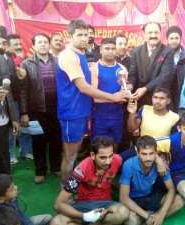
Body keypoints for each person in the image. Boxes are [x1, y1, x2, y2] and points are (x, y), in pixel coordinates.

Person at [56, 19, 128, 185]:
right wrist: (113, 97)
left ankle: (89, 182)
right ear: (70, 36)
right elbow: (83, 88)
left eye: (86, 35)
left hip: (82, 113)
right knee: (70, 155)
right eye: (79, 35)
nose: (83, 38)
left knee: (77, 152)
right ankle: (64, 192)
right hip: (72, 113)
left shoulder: (80, 55)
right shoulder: (68, 55)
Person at [50, 136, 129, 225]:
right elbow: (58, 204)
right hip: (84, 205)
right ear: (92, 155)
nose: (108, 161)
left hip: (106, 205)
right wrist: (85, 216)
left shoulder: (117, 160)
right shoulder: (81, 170)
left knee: (123, 212)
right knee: (57, 222)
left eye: (110, 156)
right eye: (103, 157)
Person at [19, 33, 62, 184]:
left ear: (50, 45)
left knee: (56, 141)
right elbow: (22, 91)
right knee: (38, 142)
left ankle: (56, 168)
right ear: (33, 45)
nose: (43, 44)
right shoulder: (26, 64)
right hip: (36, 110)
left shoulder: (58, 61)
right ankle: (40, 171)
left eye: (45, 42)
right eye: (39, 42)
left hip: (57, 109)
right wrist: (24, 113)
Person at [119, 135, 183, 225]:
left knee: (179, 201)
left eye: (151, 153)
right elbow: (123, 198)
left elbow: (171, 189)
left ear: (155, 153)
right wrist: (147, 216)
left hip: (150, 195)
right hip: (134, 200)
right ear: (137, 153)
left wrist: (161, 214)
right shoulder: (129, 165)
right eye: (144, 154)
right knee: (132, 222)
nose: (148, 158)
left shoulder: (160, 164)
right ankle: (149, 217)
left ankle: (154, 218)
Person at [119, 86, 179, 163]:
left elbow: (173, 142)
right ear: (152, 98)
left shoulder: (174, 117)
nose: (158, 101)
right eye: (155, 97)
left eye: (162, 98)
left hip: (159, 153)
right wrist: (131, 114)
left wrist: (162, 158)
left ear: (168, 101)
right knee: (116, 160)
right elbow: (132, 129)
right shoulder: (144, 109)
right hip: (140, 148)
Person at [90, 38, 128, 152]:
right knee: (98, 146)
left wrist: (125, 95)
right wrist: (115, 98)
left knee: (115, 145)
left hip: (118, 114)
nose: (110, 51)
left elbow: (124, 90)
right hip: (100, 115)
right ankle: (96, 170)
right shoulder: (94, 69)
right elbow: (93, 95)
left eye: (113, 49)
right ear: (101, 50)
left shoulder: (122, 69)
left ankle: (113, 170)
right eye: (107, 48)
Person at [128, 21, 174, 109]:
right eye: (150, 32)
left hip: (159, 98)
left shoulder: (168, 51)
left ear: (160, 34)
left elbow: (164, 76)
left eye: (156, 32)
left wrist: (145, 88)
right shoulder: (136, 51)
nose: (153, 35)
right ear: (144, 35)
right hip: (140, 98)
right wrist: (130, 85)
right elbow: (133, 74)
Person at [0, 22, 18, 175]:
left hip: (2, 120)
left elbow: (7, 89)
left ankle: (5, 194)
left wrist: (13, 117)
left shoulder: (0, 58)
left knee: (3, 162)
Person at [7, 33, 33, 163]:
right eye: (15, 44)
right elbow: (13, 75)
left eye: (19, 44)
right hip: (10, 99)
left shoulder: (25, 57)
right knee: (12, 127)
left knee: (25, 125)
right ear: (7, 46)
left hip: (23, 98)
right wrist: (20, 60)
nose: (18, 47)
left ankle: (25, 151)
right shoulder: (5, 58)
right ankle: (11, 154)